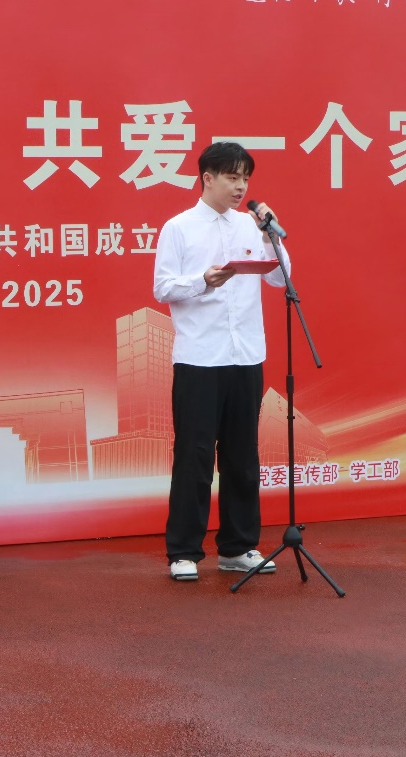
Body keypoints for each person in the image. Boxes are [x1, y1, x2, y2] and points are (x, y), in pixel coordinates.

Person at [152, 142, 290, 582]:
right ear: (207, 178)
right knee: (194, 456)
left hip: (245, 355)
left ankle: (238, 546)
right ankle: (184, 551)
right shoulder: (179, 227)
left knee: (242, 456)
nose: (240, 186)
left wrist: (269, 235)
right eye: (232, 177)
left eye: (245, 178)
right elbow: (162, 287)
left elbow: (280, 276)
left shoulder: (251, 226)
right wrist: (203, 280)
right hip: (199, 358)